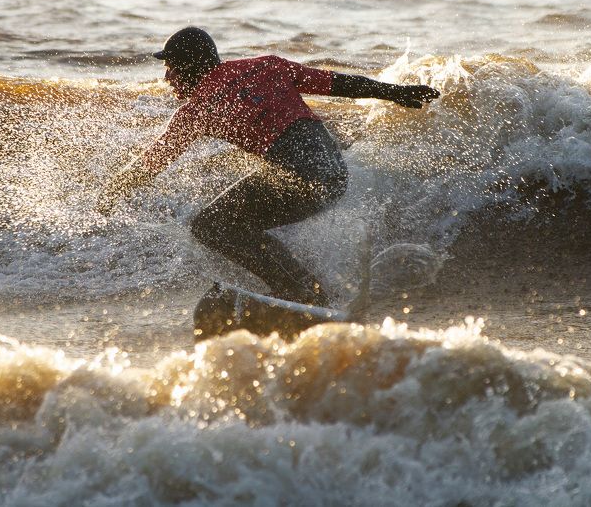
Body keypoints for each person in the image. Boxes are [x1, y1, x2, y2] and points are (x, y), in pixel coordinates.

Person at [97, 27, 439, 307]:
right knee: (232, 220)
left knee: (209, 226)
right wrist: (397, 92)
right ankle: (303, 289)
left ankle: (303, 290)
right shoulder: (267, 66)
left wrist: (111, 191)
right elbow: (339, 83)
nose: (167, 76)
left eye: (170, 66)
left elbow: (152, 163)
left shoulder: (198, 108)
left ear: (188, 67)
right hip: (333, 171)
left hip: (299, 174)